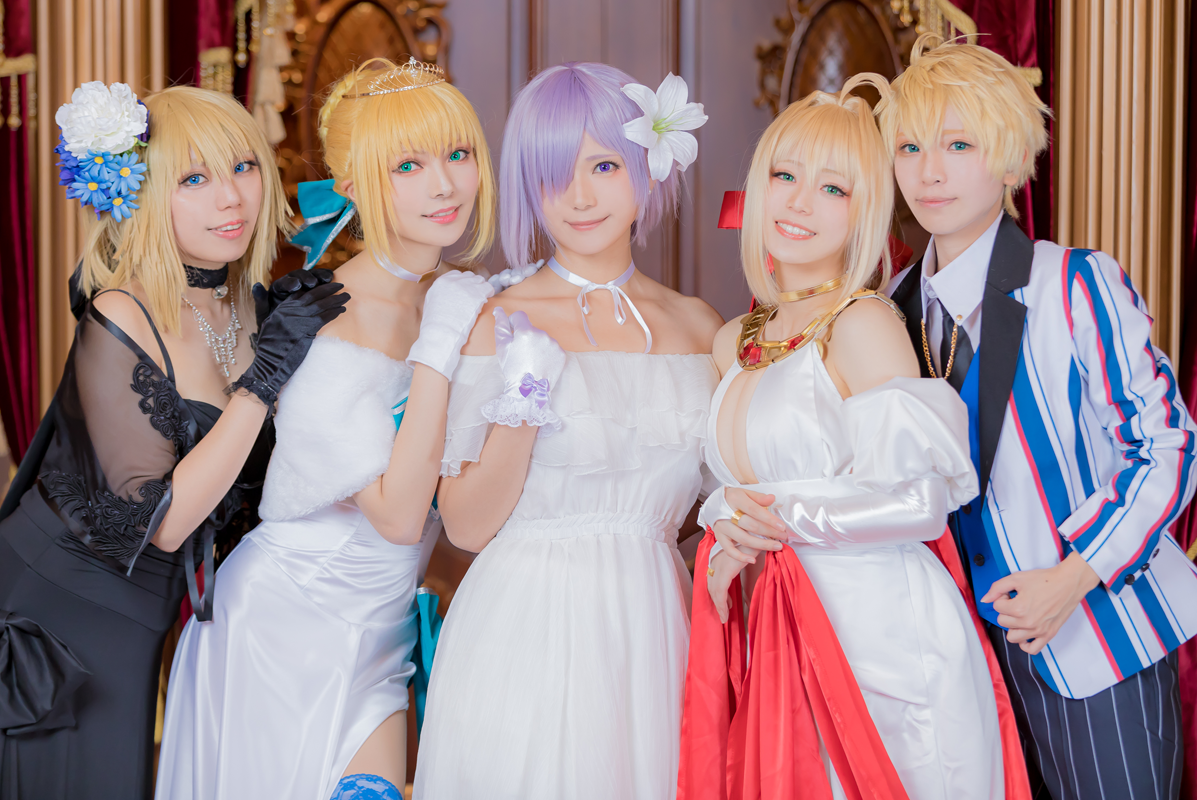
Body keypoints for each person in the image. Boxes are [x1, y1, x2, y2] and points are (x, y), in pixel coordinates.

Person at [155, 58, 498, 800]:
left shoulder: (462, 300)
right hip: (282, 627)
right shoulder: (329, 324)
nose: (444, 185)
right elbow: (399, 516)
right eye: (408, 165)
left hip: (383, 630)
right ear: (352, 184)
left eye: (458, 154)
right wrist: (440, 344)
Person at [0, 83, 347, 799]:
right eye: (194, 179)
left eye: (243, 167)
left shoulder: (247, 306)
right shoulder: (121, 312)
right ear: (148, 194)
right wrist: (263, 383)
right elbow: (163, 522)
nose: (232, 198)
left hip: (141, 621)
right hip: (55, 615)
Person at [680, 75, 1024, 799]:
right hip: (779, 627)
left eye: (833, 188)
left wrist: (778, 518)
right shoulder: (730, 341)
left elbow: (921, 503)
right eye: (785, 176)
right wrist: (725, 523)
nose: (800, 202)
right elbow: (727, 495)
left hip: (885, 645)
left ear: (863, 210)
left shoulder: (863, 323)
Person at [880, 34, 1197, 800]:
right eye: (911, 147)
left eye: (958, 144)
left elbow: (1167, 447)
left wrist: (1073, 577)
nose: (929, 171)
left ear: (1010, 155)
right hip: (957, 667)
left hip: (1095, 646)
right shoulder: (889, 307)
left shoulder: (1075, 283)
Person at [412, 63, 723, 800]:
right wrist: (526, 396)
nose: (580, 196)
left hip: (655, 626)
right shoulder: (497, 319)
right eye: (555, 174)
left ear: (648, 165)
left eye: (604, 166)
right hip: (525, 625)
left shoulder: (698, 326)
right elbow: (466, 525)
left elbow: (705, 511)